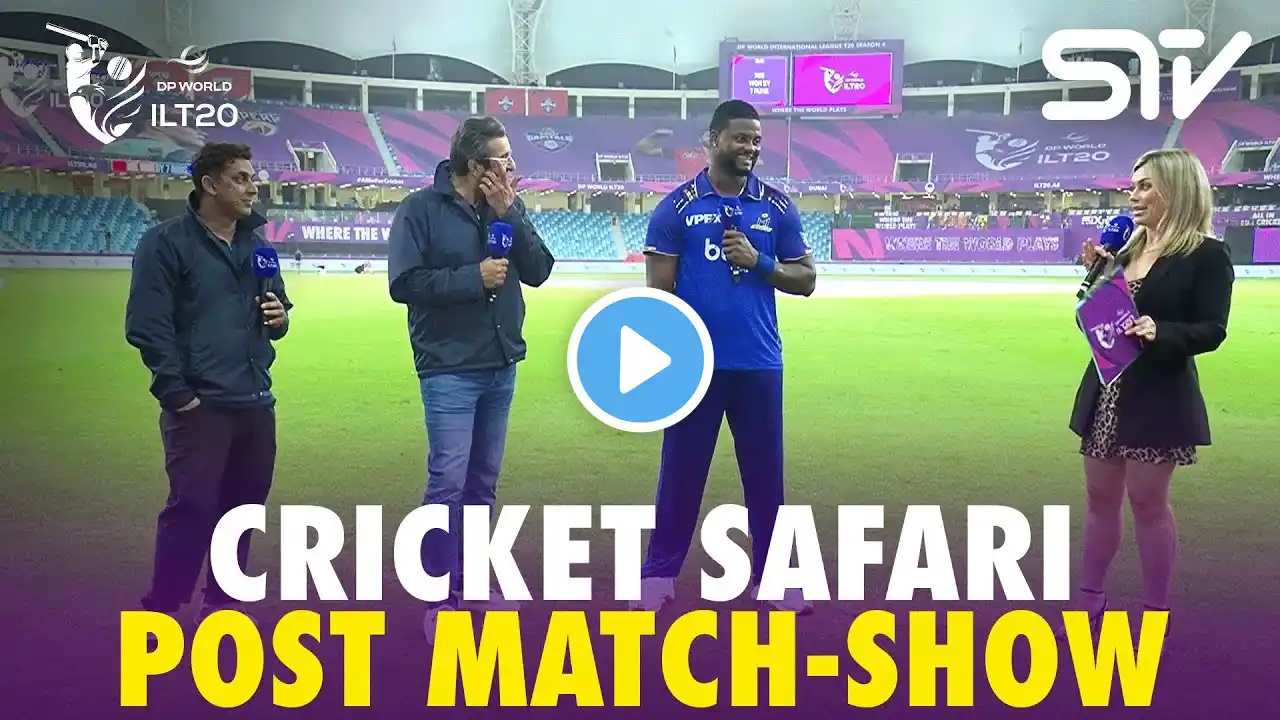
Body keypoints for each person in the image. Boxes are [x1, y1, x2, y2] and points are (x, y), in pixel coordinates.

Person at [633, 100, 817, 614]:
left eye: (756, 140)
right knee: (681, 474)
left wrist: (759, 262)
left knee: (766, 479)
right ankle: (658, 576)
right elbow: (660, 296)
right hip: (697, 367)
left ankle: (773, 580)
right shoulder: (676, 208)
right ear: (713, 140)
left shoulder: (776, 207)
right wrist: (667, 366)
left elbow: (806, 279)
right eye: (740, 138)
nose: (750, 148)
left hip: (759, 363)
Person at [387, 116, 555, 640]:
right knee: (447, 484)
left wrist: (511, 212)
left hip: (501, 365)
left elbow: (540, 270)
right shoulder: (420, 209)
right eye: (503, 159)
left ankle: (474, 585)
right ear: (476, 165)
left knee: (482, 486)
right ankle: (438, 596)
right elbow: (403, 283)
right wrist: (472, 278)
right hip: (449, 368)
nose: (512, 166)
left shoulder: (504, 208)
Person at [1064, 148, 1234, 636]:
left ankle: (1155, 611)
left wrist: (1163, 332)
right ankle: (1089, 600)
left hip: (1158, 394)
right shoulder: (1126, 251)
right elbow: (1094, 321)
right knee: (1099, 496)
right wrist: (1098, 278)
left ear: (1175, 189)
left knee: (1147, 501)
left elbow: (1213, 329)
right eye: (1133, 185)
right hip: (1107, 390)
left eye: (1145, 185)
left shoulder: (1206, 254)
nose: (1133, 195)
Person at [125, 142, 291, 630]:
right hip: (199, 406)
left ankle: (221, 601)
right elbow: (146, 326)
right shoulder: (166, 243)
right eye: (241, 178)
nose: (253, 187)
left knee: (242, 510)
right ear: (209, 184)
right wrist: (178, 394)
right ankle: (163, 606)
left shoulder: (259, 248)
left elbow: (277, 312)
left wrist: (279, 317)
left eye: (253, 177)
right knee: (192, 507)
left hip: (255, 401)